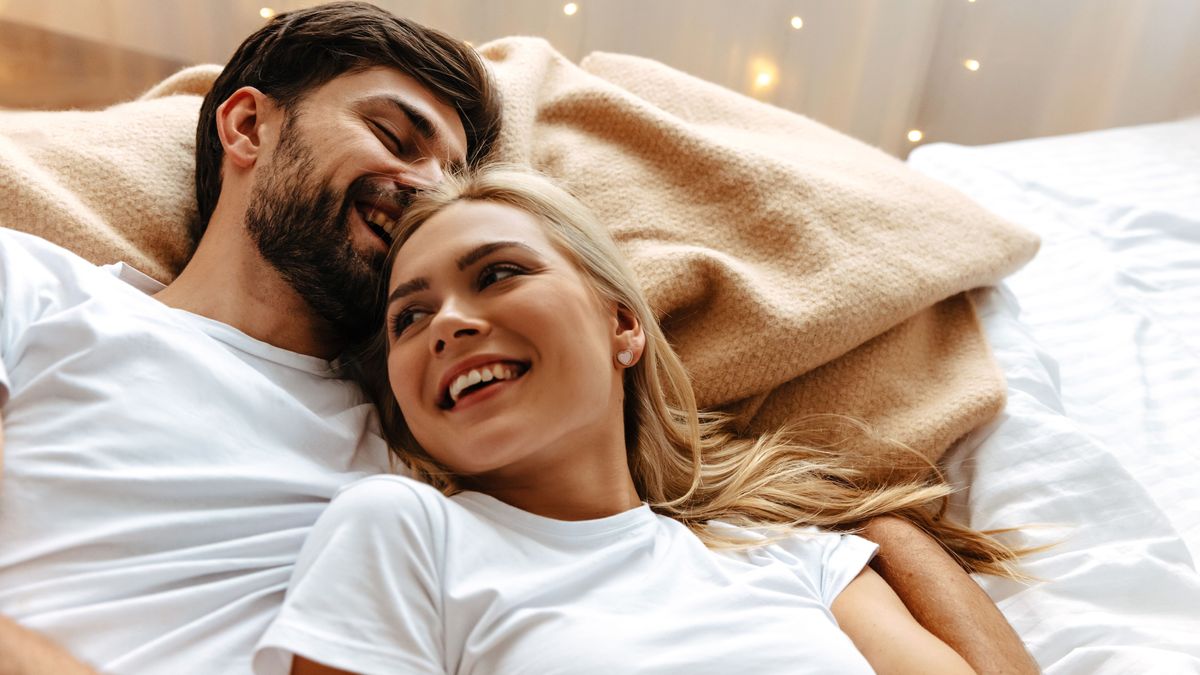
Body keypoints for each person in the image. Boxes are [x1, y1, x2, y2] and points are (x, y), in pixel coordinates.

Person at [252, 166, 1032, 674]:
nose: (447, 324)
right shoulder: (405, 531)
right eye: (409, 317)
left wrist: (889, 533)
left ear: (623, 325)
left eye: (498, 273)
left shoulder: (794, 559)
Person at [0, 3, 500, 673]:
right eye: (392, 135)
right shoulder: (31, 288)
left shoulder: (419, 455)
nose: (431, 193)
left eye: (455, 181)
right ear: (247, 127)